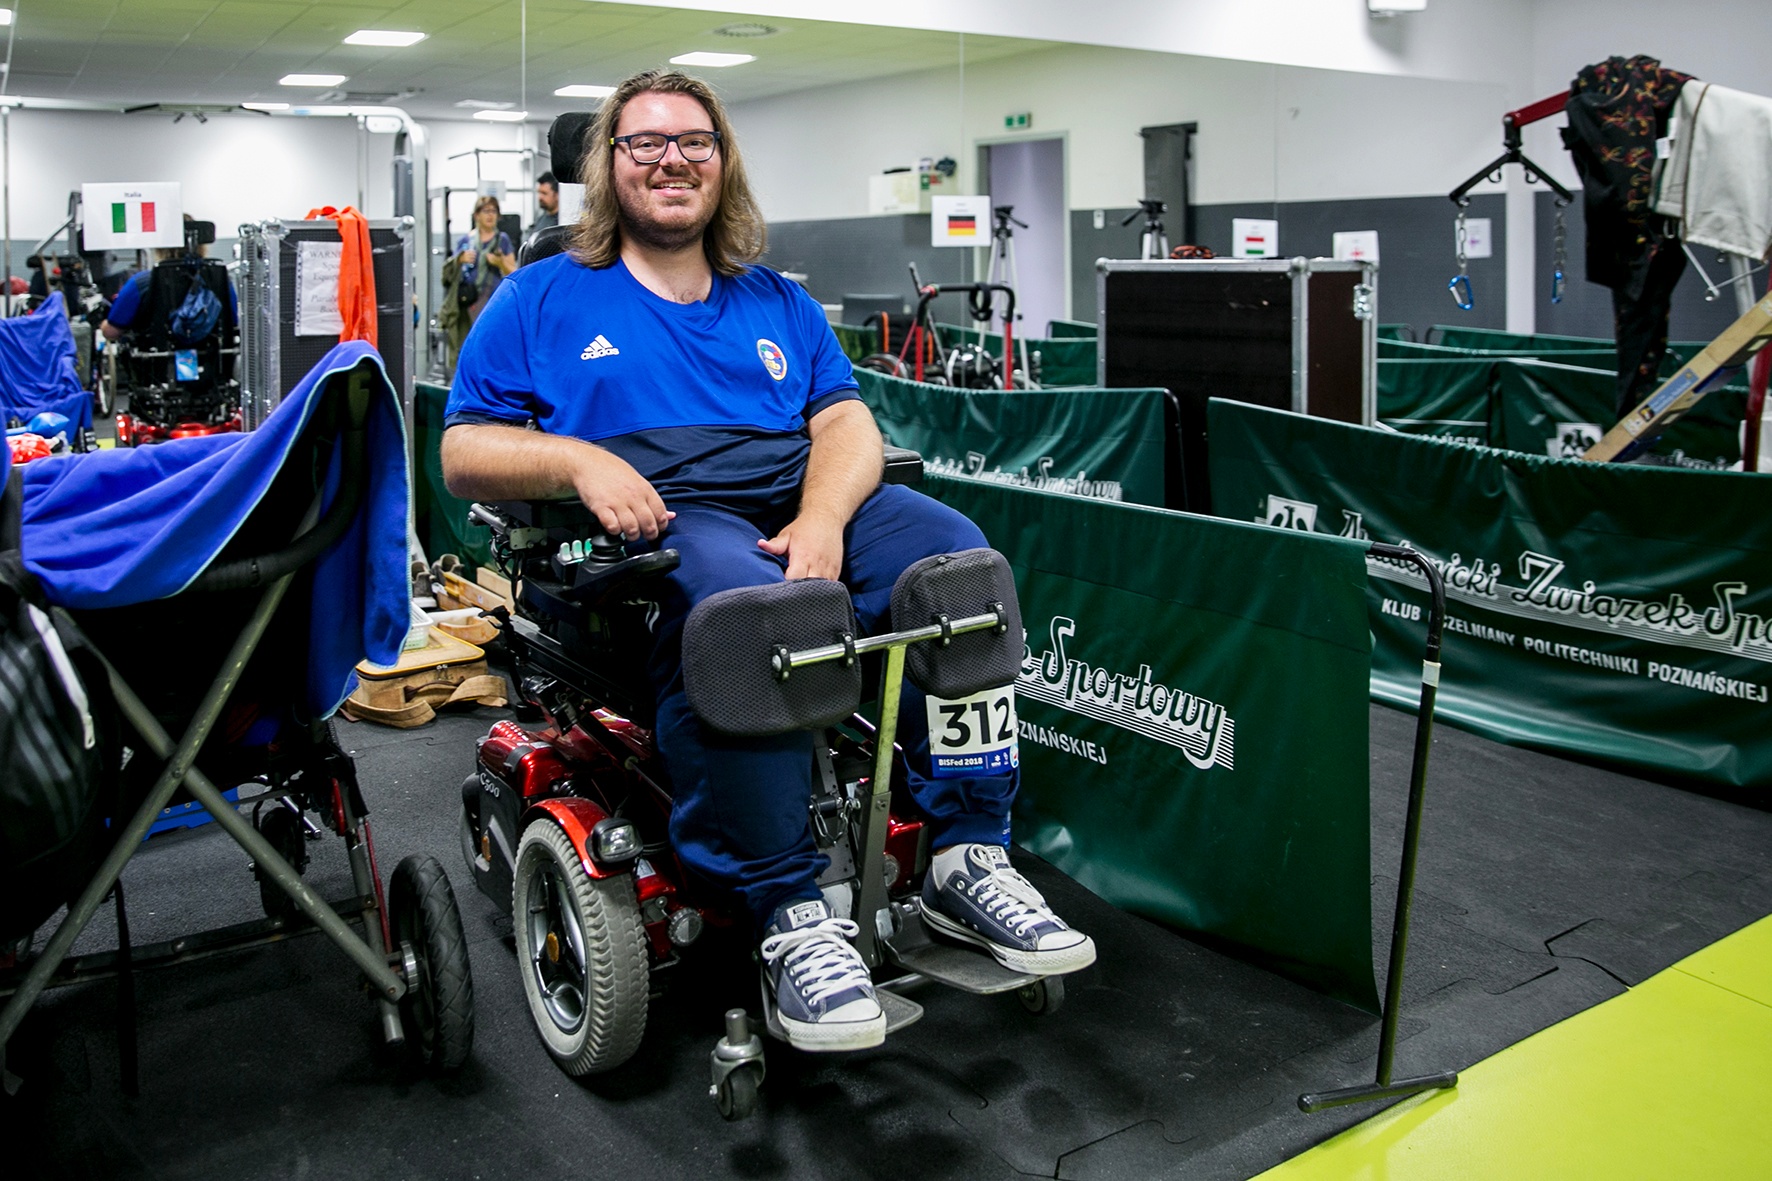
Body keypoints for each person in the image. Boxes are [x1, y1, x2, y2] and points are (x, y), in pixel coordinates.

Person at [441, 70, 1093, 1054]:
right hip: (671, 517)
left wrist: (825, 515)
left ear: (722, 161)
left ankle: (966, 851)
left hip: (800, 498)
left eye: (693, 141)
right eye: (645, 142)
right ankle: (791, 912)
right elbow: (461, 451)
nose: (671, 159)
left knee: (959, 571)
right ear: (608, 166)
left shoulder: (775, 300)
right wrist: (576, 456)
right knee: (758, 613)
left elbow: (845, 423)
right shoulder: (540, 297)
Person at [441, 196, 516, 370]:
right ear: (476, 215)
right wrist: (460, 259)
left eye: (494, 211)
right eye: (486, 211)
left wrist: (500, 263)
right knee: (466, 346)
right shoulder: (466, 241)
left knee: (490, 346)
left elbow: (514, 272)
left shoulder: (502, 240)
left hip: (492, 302)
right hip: (468, 303)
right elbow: (448, 274)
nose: (490, 215)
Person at [523, 171, 560, 251]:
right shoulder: (541, 217)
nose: (540, 197)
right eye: (539, 193)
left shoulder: (561, 221)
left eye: (544, 193)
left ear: (556, 195)